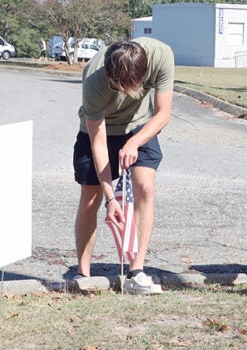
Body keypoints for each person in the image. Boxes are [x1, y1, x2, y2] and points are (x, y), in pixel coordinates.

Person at [72, 37, 174, 295]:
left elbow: (163, 113)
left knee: (145, 189)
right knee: (90, 200)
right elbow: (98, 144)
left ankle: (136, 271)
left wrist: (135, 142)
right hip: (98, 130)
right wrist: (110, 199)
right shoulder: (94, 79)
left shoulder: (161, 55)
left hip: (140, 125)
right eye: (118, 87)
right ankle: (82, 274)